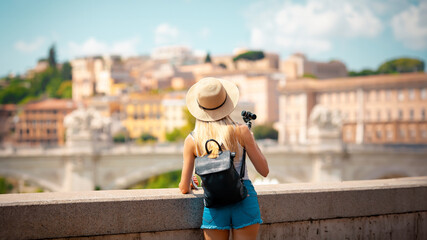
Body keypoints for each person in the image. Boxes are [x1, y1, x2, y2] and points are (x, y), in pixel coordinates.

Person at [179, 77, 269, 240]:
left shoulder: (192, 140)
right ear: (226, 104)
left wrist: (192, 182)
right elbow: (264, 170)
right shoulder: (241, 131)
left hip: (215, 203)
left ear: (199, 108)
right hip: (245, 198)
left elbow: (184, 188)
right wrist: (251, 140)